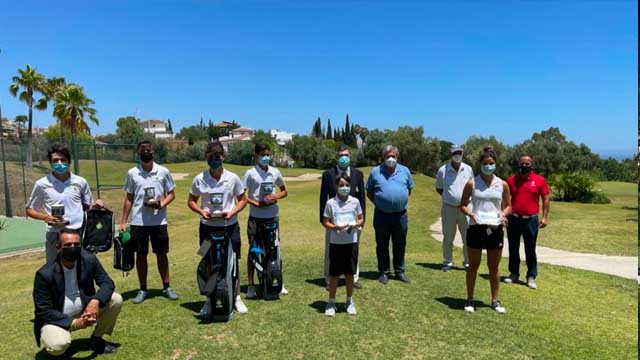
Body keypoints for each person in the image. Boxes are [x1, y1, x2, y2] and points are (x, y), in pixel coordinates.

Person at [33, 229, 122, 356]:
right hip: (56, 318)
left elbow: (107, 283)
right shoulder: (44, 274)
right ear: (58, 248)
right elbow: (43, 311)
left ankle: (96, 339)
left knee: (116, 299)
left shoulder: (89, 260)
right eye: (68, 245)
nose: (73, 248)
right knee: (58, 345)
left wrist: (95, 301)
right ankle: (61, 344)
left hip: (85, 309)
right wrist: (74, 323)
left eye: (76, 244)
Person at [187, 141, 248, 316]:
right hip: (207, 228)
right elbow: (191, 201)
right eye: (211, 157)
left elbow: (242, 199)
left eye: (218, 157)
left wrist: (233, 211)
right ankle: (209, 299)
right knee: (207, 261)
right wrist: (201, 211)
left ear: (223, 157)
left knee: (233, 261)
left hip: (229, 227)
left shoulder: (233, 178)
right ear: (207, 158)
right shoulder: (200, 179)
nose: (215, 160)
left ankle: (236, 297)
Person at [119, 140, 178, 304]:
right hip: (138, 222)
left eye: (149, 149)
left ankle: (167, 287)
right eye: (143, 149)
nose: (146, 152)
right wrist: (124, 221)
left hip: (159, 221)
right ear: (139, 152)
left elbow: (171, 194)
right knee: (141, 256)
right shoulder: (132, 173)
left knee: (162, 254)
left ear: (153, 151)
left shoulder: (163, 171)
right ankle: (143, 289)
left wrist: (160, 204)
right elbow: (129, 198)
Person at [26, 143, 104, 263]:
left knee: (83, 267)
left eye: (62, 159)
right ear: (50, 162)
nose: (59, 163)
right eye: (55, 160)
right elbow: (30, 210)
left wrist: (96, 205)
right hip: (55, 234)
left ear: (69, 161)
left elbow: (89, 206)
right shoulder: (42, 184)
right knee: (54, 269)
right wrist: (46, 217)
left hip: (78, 232)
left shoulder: (80, 182)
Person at [459, 146, 511, 314]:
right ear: (480, 164)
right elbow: (462, 205)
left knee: (493, 267)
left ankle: (495, 300)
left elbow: (509, 205)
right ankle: (470, 298)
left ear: (496, 164)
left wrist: (503, 214)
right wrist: (471, 213)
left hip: (495, 228)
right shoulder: (472, 182)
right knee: (473, 266)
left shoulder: (502, 184)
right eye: (485, 163)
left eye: (491, 163)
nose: (488, 166)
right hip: (475, 228)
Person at [243, 142, 289, 299]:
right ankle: (250, 285)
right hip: (256, 218)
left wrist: (275, 196)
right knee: (253, 250)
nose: (265, 157)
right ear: (256, 156)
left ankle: (277, 280)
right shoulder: (250, 173)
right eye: (262, 155)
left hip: (272, 216)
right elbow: (241, 196)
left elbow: (284, 191)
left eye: (267, 155)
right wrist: (256, 202)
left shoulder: (275, 172)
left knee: (274, 249)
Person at [319, 145, 366, 289]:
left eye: (346, 155)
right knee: (331, 250)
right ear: (337, 157)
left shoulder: (358, 174)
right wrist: (323, 220)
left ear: (350, 156)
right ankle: (329, 279)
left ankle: (354, 277)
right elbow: (323, 198)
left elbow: (362, 198)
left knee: (353, 248)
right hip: (334, 222)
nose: (343, 158)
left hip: (353, 222)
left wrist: (362, 221)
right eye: (340, 155)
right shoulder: (328, 174)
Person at [366, 145, 414, 284]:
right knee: (382, 244)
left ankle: (399, 271)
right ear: (383, 157)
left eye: (393, 156)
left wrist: (399, 201)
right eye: (388, 156)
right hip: (382, 215)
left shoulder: (405, 171)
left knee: (400, 243)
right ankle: (384, 271)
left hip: (400, 215)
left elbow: (409, 189)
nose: (390, 159)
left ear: (397, 157)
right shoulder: (375, 172)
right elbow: (369, 192)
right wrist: (381, 203)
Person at [504, 155, 550, 289]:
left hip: (531, 220)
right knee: (513, 247)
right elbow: (505, 199)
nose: (524, 166)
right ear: (518, 164)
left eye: (527, 164)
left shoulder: (539, 180)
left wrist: (544, 217)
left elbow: (546, 199)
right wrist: (504, 215)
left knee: (530, 249)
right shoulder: (511, 180)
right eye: (522, 163)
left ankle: (531, 276)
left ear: (532, 165)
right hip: (513, 218)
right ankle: (513, 273)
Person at [322, 174, 364, 316]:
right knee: (334, 275)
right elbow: (325, 221)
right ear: (336, 186)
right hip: (335, 242)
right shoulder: (330, 203)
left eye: (346, 185)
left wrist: (354, 225)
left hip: (351, 242)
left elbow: (361, 219)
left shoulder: (355, 202)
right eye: (341, 185)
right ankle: (331, 302)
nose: (344, 188)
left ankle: (349, 301)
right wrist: (334, 227)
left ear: (350, 186)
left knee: (349, 274)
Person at [435, 144, 473, 271]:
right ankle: (448, 261)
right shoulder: (443, 170)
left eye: (459, 152)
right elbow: (439, 188)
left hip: (466, 207)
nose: (458, 155)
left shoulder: (468, 169)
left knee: (467, 237)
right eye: (455, 153)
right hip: (449, 208)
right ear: (450, 154)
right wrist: (451, 197)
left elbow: (471, 187)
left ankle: (468, 262)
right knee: (448, 236)